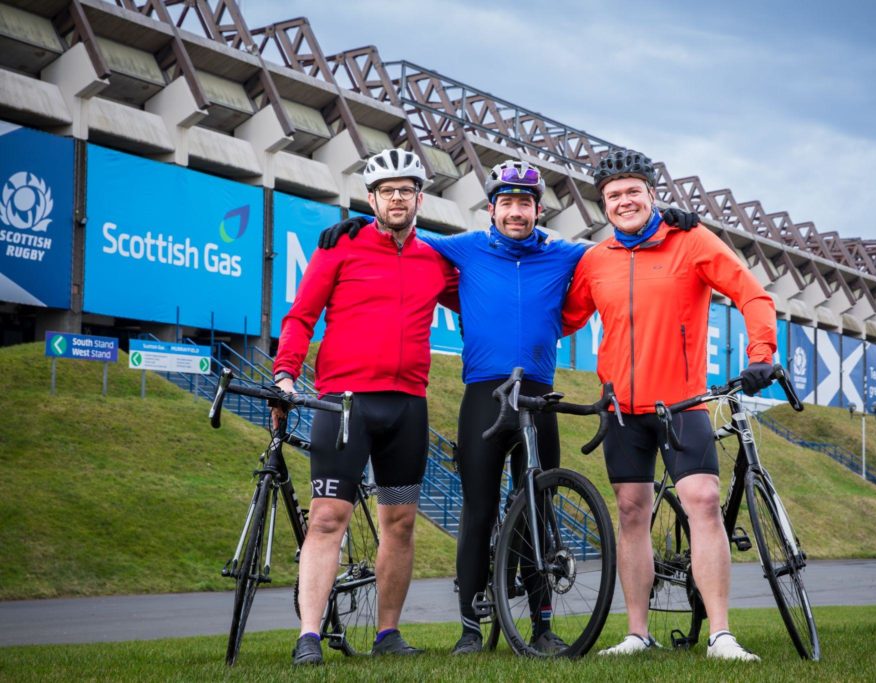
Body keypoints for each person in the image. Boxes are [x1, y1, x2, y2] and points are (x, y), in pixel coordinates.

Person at [318, 159, 700, 655]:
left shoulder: (566, 256)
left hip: (539, 393)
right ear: (491, 210)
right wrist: (355, 226)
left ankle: (541, 624)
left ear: (538, 210)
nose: (515, 212)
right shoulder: (462, 248)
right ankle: (470, 628)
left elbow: (619, 247)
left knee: (538, 506)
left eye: (525, 203)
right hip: (484, 395)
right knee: (478, 508)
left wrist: (667, 219)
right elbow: (401, 236)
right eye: (506, 203)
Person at [562, 149, 777, 661]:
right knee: (631, 512)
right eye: (613, 195)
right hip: (620, 410)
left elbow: (752, 295)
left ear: (652, 195)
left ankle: (721, 635)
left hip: (682, 403)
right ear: (603, 205)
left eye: (633, 191)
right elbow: (565, 317)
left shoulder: (692, 241)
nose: (624, 200)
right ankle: (638, 632)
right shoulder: (595, 260)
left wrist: (761, 353)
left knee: (702, 502)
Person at [272, 148, 459, 665]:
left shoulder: (435, 261)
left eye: (406, 190)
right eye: (386, 191)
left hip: (407, 406)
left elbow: (484, 291)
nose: (397, 198)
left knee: (400, 521)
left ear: (420, 198)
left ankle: (388, 634)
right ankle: (309, 635)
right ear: (371, 198)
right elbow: (302, 314)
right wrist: (286, 372)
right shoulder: (340, 247)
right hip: (344, 403)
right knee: (329, 516)